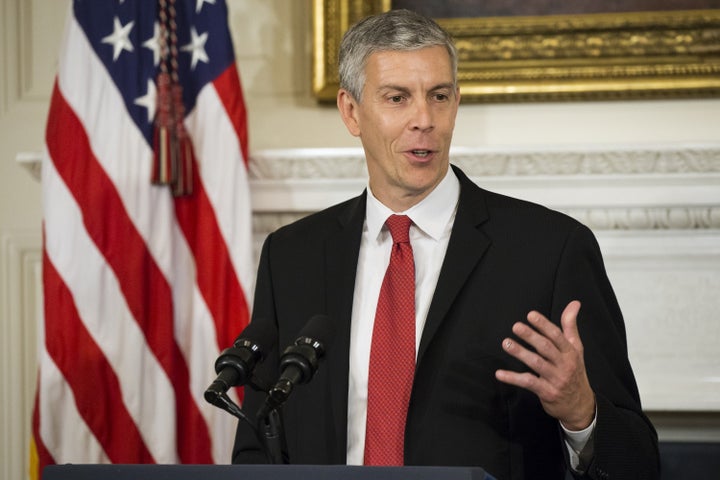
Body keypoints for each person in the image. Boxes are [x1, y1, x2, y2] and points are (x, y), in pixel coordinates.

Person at [232, 9, 659, 480]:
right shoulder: (292, 257)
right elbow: (258, 446)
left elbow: (637, 462)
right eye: (397, 98)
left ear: (456, 103)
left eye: (439, 96)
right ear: (351, 112)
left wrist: (583, 414)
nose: (424, 120)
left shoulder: (551, 250)